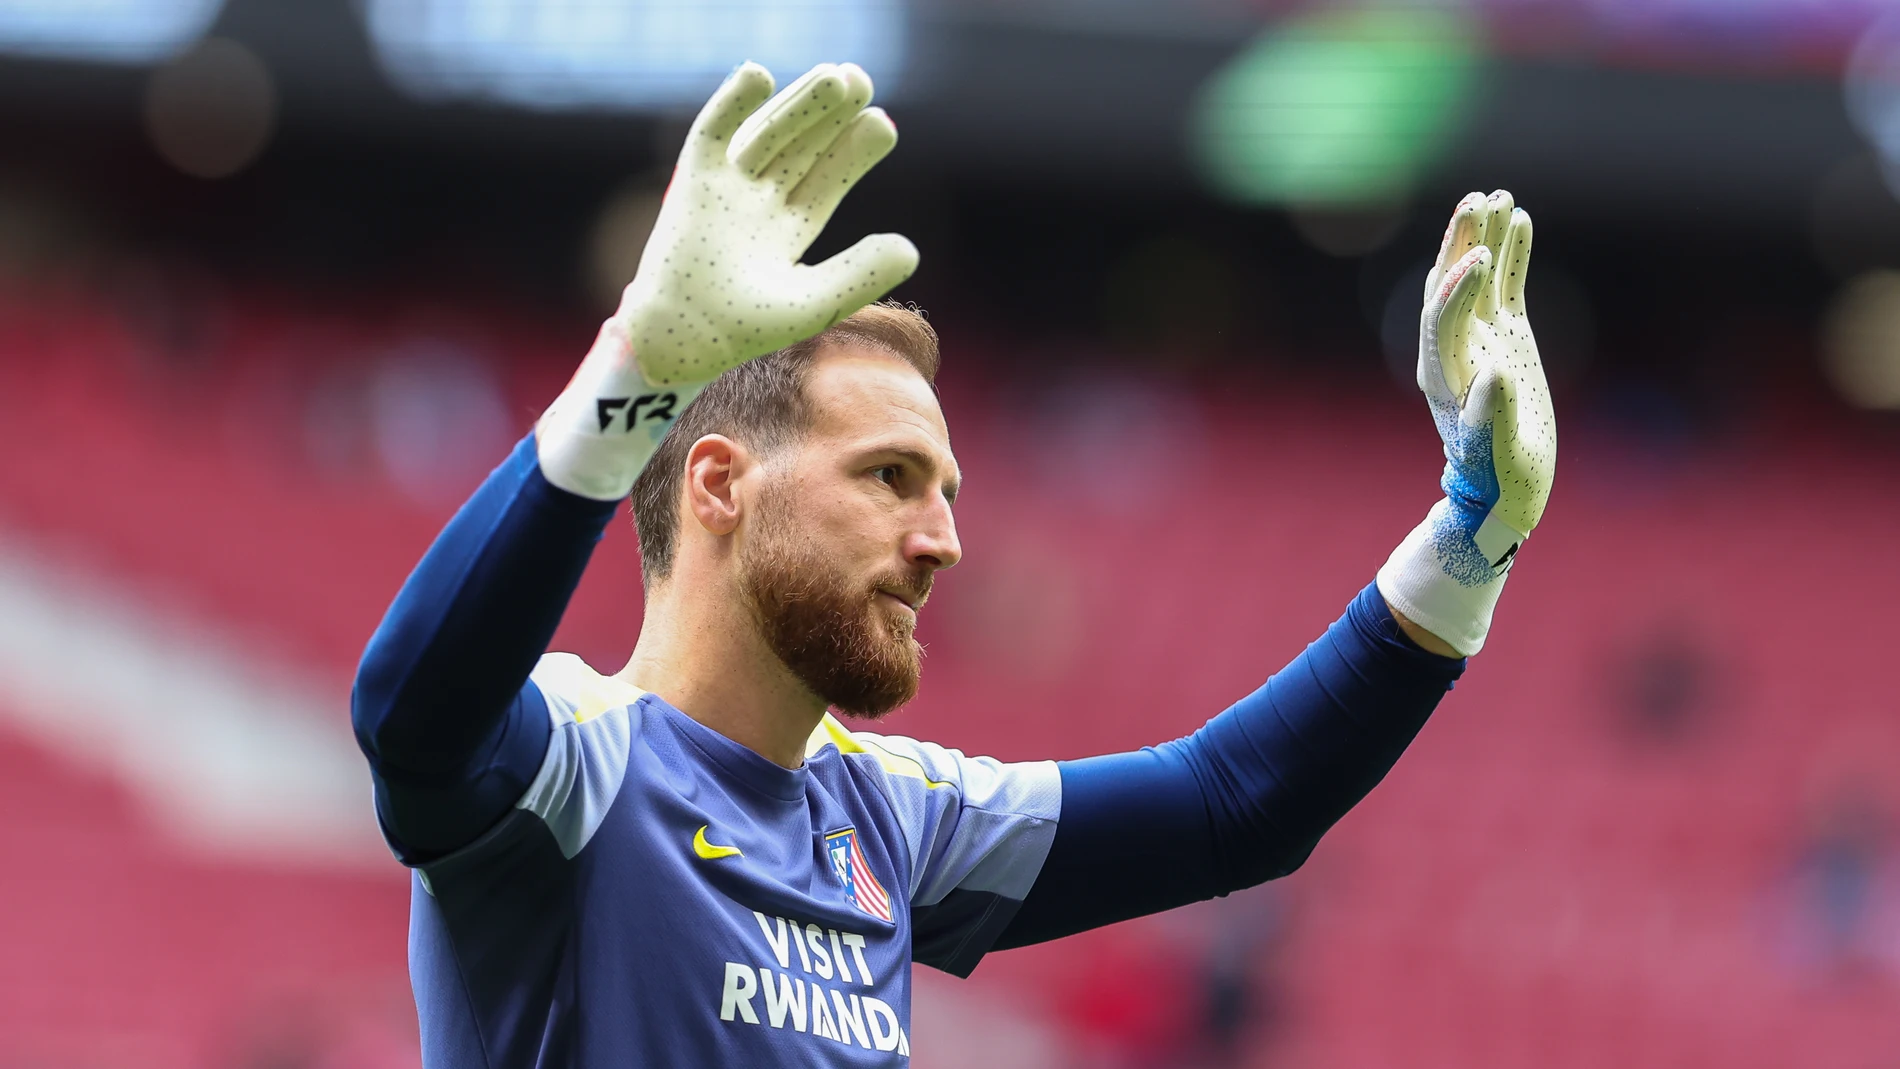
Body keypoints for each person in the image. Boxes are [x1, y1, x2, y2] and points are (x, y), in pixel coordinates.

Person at [351, 61, 1556, 1067]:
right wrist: (633, 376)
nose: (943, 540)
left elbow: (1234, 806)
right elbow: (411, 717)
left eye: (945, 492)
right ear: (718, 484)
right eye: (889, 477)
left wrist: (1473, 535)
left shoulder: (891, 818)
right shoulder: (571, 766)